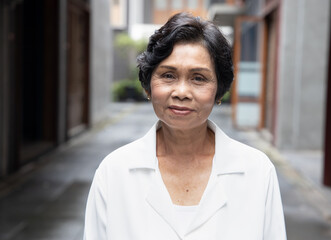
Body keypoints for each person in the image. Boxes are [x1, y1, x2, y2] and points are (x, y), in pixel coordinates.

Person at [83, 12, 286, 240]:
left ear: (219, 91)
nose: (181, 92)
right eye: (168, 75)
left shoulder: (257, 172)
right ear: (148, 86)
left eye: (198, 78)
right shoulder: (114, 172)